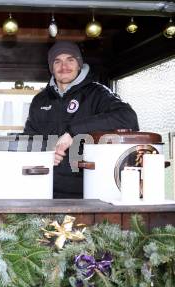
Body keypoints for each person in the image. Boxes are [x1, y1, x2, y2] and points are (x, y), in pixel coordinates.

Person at [24, 41, 139, 199]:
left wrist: (73, 132)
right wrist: (44, 153)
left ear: (79, 64)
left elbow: (128, 118)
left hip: (89, 191)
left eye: (70, 60)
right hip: (44, 189)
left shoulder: (97, 93)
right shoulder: (40, 100)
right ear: (51, 68)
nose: (64, 66)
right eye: (57, 61)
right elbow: (28, 140)